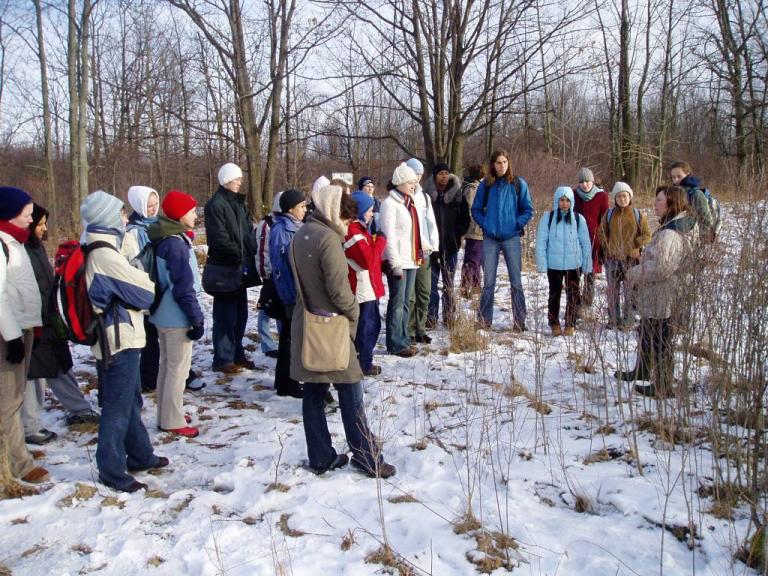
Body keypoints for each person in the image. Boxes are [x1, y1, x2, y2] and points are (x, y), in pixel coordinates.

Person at [290, 184, 396, 478]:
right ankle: (366, 458)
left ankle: (321, 457)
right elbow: (340, 292)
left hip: (308, 324)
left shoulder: (302, 234)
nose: (347, 226)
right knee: (350, 391)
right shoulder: (328, 240)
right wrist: (354, 312)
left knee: (313, 392)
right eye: (346, 220)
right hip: (332, 328)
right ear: (333, 212)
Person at [81, 190, 169, 492]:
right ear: (106, 217)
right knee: (117, 406)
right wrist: (139, 276)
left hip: (122, 336)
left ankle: (141, 454)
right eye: (119, 211)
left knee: (130, 400)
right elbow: (145, 292)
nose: (124, 216)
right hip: (117, 340)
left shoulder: (104, 247)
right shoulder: (104, 254)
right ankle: (112, 469)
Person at [23, 203, 98, 446]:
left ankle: (79, 409)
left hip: (48, 319)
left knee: (60, 364)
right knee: (34, 374)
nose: (44, 228)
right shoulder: (18, 249)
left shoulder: (35, 247)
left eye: (45, 223)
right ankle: (29, 426)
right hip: (32, 321)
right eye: (40, 223)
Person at [618, 186, 696, 398]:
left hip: (663, 294)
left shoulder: (671, 233)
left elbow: (663, 267)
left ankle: (662, 384)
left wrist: (636, 271)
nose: (655, 204)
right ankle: (642, 369)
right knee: (646, 330)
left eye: (659, 200)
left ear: (671, 204)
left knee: (661, 337)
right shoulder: (669, 228)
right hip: (655, 293)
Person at [0, 186, 49, 484]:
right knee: (8, 399)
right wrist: (13, 336)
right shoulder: (2, 245)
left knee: (15, 396)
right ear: (9, 214)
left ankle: (16, 452)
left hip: (23, 327)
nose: (32, 221)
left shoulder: (15, 243)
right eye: (27, 215)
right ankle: (18, 465)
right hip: (9, 334)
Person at [147, 190, 205, 439]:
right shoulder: (175, 244)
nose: (195, 214)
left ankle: (169, 411)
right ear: (180, 214)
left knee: (168, 366)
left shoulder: (167, 237)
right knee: (177, 370)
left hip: (163, 314)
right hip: (176, 317)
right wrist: (195, 318)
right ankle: (171, 420)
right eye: (192, 210)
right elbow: (183, 288)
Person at [471, 150, 534, 331]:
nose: (502, 166)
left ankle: (520, 322)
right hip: (490, 239)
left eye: (505, 162)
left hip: (511, 238)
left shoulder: (517, 183)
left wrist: (515, 224)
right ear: (492, 165)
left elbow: (528, 210)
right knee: (488, 282)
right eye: (498, 163)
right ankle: (484, 321)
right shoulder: (486, 185)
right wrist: (486, 224)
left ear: (509, 163)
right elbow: (476, 209)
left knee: (516, 281)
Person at [205, 163, 258, 373]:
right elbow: (219, 237)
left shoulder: (238, 203)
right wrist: (239, 252)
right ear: (226, 180)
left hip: (240, 268)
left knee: (241, 314)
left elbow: (248, 231)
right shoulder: (215, 205)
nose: (239, 182)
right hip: (225, 268)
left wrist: (250, 248)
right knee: (225, 316)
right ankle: (223, 358)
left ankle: (237, 352)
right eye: (236, 179)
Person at [535, 187, 592, 336]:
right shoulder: (547, 218)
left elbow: (585, 243)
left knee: (573, 294)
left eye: (567, 200)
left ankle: (570, 322)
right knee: (554, 294)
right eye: (561, 200)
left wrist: (587, 264)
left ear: (572, 202)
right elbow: (541, 242)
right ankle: (554, 323)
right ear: (556, 201)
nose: (564, 203)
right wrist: (542, 263)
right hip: (554, 265)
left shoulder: (579, 219)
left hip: (574, 265)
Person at [122, 186, 162, 392]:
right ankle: (148, 379)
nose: (153, 209)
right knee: (149, 337)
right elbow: (136, 263)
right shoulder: (134, 231)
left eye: (155, 204)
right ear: (139, 206)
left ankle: (152, 375)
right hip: (145, 288)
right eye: (149, 206)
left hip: (159, 284)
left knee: (155, 335)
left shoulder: (158, 224)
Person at [380, 163, 422, 357]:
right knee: (397, 302)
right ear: (401, 183)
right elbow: (387, 235)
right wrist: (394, 263)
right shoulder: (390, 204)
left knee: (406, 302)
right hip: (398, 261)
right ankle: (395, 342)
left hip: (411, 259)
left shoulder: (409, 203)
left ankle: (404, 338)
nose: (414, 185)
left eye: (414, 182)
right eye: (411, 182)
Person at [598, 182, 651, 329]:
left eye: (625, 196)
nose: (622, 199)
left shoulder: (638, 214)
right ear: (615, 198)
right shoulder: (609, 215)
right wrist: (608, 245)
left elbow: (647, 235)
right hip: (612, 260)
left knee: (629, 292)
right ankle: (613, 319)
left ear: (630, 197)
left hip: (631, 261)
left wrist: (637, 245)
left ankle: (628, 320)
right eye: (619, 196)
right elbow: (601, 233)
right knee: (612, 291)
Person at [345, 191, 386, 376]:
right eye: (369, 210)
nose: (371, 214)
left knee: (371, 326)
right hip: (362, 289)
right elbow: (367, 260)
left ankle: (364, 361)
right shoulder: (353, 232)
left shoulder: (361, 230)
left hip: (369, 287)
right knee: (366, 328)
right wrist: (381, 241)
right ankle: (363, 364)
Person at [270, 188, 306, 397]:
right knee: (290, 339)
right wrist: (290, 293)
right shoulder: (282, 230)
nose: (305, 209)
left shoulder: (297, 226)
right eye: (301, 206)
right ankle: (288, 383)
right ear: (290, 209)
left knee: (290, 338)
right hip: (290, 291)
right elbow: (281, 267)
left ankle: (284, 381)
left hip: (296, 290)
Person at [424, 162, 470, 326]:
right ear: (435, 175)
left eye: (446, 173)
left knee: (449, 283)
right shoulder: (426, 196)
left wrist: (457, 234)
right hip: (431, 249)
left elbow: (465, 218)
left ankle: (449, 316)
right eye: (440, 173)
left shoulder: (457, 194)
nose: (444, 176)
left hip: (451, 246)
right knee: (431, 284)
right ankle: (431, 317)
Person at [404, 158, 439, 343]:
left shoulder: (424, 197)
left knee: (425, 292)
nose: (417, 177)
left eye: (419, 174)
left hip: (424, 251)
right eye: (413, 173)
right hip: (408, 253)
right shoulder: (401, 197)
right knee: (410, 296)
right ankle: (409, 330)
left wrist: (434, 245)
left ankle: (421, 327)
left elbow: (430, 223)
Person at [573, 168, 609, 315]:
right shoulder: (574, 195)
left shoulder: (602, 196)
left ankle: (587, 303)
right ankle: (575, 302)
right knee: (575, 272)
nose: (585, 185)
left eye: (587, 181)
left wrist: (604, 240)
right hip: (577, 240)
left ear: (592, 181)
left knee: (590, 274)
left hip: (595, 240)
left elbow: (605, 219)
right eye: (581, 182)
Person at [254, 192, 283, 359]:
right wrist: (266, 273)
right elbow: (262, 251)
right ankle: (267, 344)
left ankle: (283, 337)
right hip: (271, 275)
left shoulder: (288, 222)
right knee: (265, 309)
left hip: (283, 275)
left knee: (280, 309)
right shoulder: (267, 224)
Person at [669, 160, 713, 240]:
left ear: (688, 174)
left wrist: (703, 240)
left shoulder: (696, 194)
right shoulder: (671, 194)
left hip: (692, 238)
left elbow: (706, 220)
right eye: (673, 177)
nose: (676, 180)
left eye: (679, 176)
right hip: (674, 236)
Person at [460, 164, 484, 299]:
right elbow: (472, 210)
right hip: (474, 230)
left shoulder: (473, 187)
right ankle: (467, 286)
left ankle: (475, 286)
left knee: (476, 260)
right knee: (472, 260)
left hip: (477, 231)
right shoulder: (472, 189)